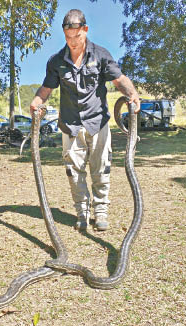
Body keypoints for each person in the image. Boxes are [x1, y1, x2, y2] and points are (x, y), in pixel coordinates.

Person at [30, 9, 140, 232]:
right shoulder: (56, 62)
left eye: (77, 37)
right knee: (74, 172)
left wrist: (132, 94)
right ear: (64, 34)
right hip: (70, 125)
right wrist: (36, 102)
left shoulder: (100, 55)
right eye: (68, 37)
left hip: (98, 123)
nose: (73, 42)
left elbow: (119, 80)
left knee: (101, 169)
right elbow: (46, 88)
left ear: (85, 30)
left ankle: (100, 211)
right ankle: (82, 213)